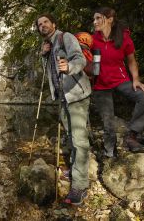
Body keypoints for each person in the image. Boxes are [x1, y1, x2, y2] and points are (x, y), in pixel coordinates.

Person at [36, 13, 91, 205]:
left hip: (76, 94)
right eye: (39, 24)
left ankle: (81, 185)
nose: (42, 25)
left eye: (45, 22)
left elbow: (80, 59)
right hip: (62, 98)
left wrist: (69, 66)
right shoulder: (48, 46)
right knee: (71, 136)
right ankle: (76, 169)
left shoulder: (65, 37)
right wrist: (44, 55)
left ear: (54, 23)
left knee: (79, 139)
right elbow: (50, 72)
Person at [91, 7, 144, 157]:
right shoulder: (92, 39)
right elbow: (77, 51)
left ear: (109, 19)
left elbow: (132, 61)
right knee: (108, 124)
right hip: (100, 84)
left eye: (98, 18)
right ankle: (110, 155)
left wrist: (136, 80)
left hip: (121, 80)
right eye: (93, 19)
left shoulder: (124, 38)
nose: (94, 22)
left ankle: (131, 136)